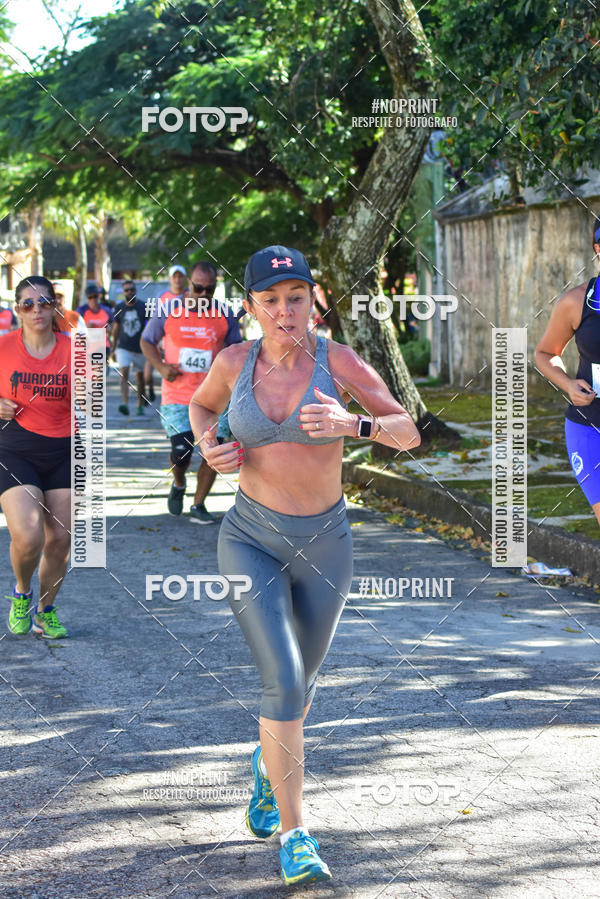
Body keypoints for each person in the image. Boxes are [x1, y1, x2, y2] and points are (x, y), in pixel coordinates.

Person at [189, 245, 421, 886]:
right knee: (285, 682)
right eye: (271, 300)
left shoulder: (338, 360)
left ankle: (268, 768)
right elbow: (201, 408)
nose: (285, 311)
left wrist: (356, 423)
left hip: (326, 544)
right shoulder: (234, 362)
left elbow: (410, 431)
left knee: (304, 686)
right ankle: (296, 836)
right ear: (251, 307)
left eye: (296, 297)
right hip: (249, 539)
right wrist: (210, 446)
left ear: (314, 300)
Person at [141, 261, 242, 523]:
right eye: (199, 288)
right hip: (177, 396)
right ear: (189, 286)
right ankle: (179, 482)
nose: (204, 295)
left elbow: (235, 351)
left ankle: (198, 504)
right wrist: (161, 367)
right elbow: (147, 341)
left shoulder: (225, 315)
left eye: (210, 289)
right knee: (181, 452)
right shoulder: (168, 310)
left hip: (215, 398)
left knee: (214, 451)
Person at [0, 276, 71, 639]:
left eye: (44, 302)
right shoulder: (3, 347)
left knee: (60, 539)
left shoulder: (75, 351)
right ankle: (21, 593)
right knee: (28, 537)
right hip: (15, 450)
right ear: (17, 310)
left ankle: (46, 610)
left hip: (63, 452)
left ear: (55, 305)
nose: (37, 310)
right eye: (28, 304)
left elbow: (90, 406)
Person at [535, 217, 600, 526]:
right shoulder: (577, 302)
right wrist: (568, 384)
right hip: (591, 427)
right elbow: (546, 353)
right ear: (598, 249)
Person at [111, 280, 148, 416]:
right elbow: (115, 328)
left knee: (140, 377)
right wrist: (113, 348)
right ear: (123, 292)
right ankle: (124, 403)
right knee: (124, 372)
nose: (129, 292)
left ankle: (139, 405)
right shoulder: (119, 308)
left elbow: (150, 327)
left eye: (131, 289)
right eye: (126, 290)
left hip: (140, 347)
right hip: (123, 346)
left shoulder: (143, 307)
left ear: (136, 290)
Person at [77, 284, 113, 361]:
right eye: (90, 297)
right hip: (87, 347)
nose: (93, 299)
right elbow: (74, 329)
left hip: (103, 346)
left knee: (98, 371)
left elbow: (113, 327)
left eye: (95, 296)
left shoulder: (106, 310)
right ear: (87, 298)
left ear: (98, 296)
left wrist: (110, 328)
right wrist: (85, 328)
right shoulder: (81, 311)